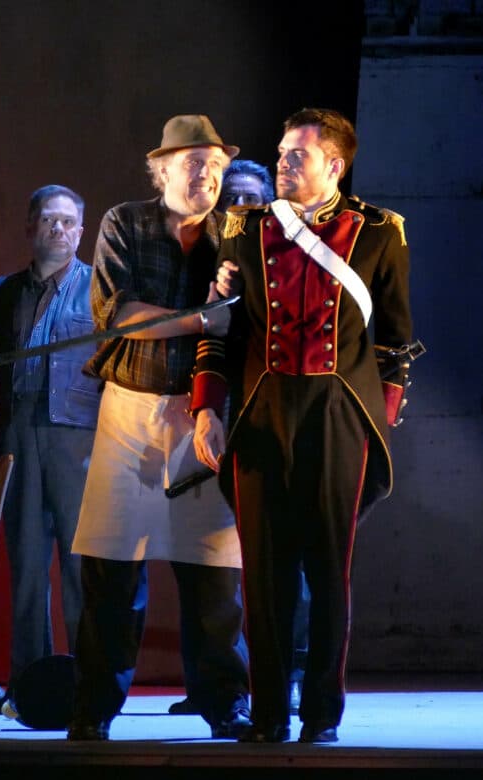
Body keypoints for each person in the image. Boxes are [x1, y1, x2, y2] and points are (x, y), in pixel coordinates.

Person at [192, 108, 414, 744]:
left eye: (299, 155)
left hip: (338, 414)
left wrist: (378, 423)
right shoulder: (244, 228)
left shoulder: (380, 231)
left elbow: (395, 341)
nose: (283, 162)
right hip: (261, 410)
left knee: (327, 569)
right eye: (283, 152)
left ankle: (321, 713)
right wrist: (207, 406)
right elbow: (220, 329)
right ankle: (267, 714)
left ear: (334, 165)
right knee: (264, 573)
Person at [66, 115, 250, 742]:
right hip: (131, 413)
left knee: (215, 575)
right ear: (163, 169)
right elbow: (119, 315)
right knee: (112, 572)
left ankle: (225, 700)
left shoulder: (234, 231)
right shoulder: (125, 222)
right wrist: (201, 320)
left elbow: (244, 320)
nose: (209, 175)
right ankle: (94, 706)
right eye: (196, 163)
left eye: (217, 165)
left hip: (205, 414)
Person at [172, 158, 309, 718]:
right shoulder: (210, 259)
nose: (243, 208)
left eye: (254, 199)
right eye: (234, 200)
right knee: (203, 562)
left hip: (276, 416)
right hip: (213, 414)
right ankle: (210, 685)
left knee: (285, 557)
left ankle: (290, 676)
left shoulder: (293, 252)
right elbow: (207, 337)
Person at [0, 185, 99, 692]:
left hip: (78, 437)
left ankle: (89, 683)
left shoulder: (100, 288)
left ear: (82, 231)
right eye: (49, 220)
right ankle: (29, 684)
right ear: (30, 228)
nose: (59, 229)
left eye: (68, 222)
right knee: (27, 563)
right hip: (18, 432)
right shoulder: (3, 291)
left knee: (80, 563)